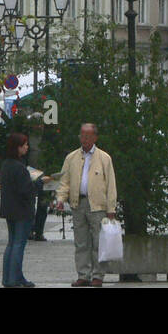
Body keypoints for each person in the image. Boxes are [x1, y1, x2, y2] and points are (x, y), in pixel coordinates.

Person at [53, 122, 118, 287]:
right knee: (81, 242)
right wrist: (60, 199)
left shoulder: (104, 158)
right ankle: (83, 274)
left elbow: (111, 185)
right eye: (82, 135)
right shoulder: (72, 157)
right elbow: (64, 181)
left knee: (98, 242)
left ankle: (98, 275)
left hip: (98, 206)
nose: (84, 139)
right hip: (78, 203)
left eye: (88, 136)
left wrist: (111, 209)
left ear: (95, 137)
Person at [0, 132, 36, 288]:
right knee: (18, 244)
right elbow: (26, 190)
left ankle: (10, 278)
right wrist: (40, 183)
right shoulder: (19, 167)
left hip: (10, 208)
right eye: (25, 145)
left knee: (12, 243)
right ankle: (13, 279)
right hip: (21, 210)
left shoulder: (7, 164)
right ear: (17, 147)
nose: (27, 147)